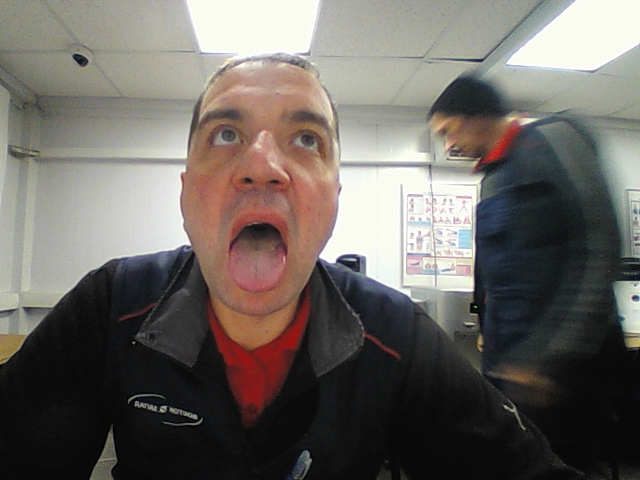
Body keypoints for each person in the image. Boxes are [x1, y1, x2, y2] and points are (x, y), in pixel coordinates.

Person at [0, 54, 585, 480]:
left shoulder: (396, 334)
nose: (262, 166)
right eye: (225, 133)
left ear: (334, 198)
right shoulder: (110, 307)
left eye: (306, 139)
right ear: (185, 192)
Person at [428, 75, 629, 476]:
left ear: (477, 116)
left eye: (449, 131)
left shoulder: (554, 140)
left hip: (564, 369)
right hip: (513, 362)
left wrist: (550, 358)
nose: (448, 145)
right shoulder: (492, 178)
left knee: (562, 467)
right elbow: (488, 273)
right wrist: (485, 327)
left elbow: (597, 248)